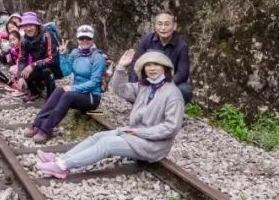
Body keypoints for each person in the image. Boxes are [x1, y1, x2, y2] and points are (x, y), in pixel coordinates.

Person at [36, 50, 184, 179]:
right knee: (97, 137)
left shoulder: (172, 93)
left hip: (153, 145)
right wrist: (121, 67)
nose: (152, 68)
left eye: (156, 65)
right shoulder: (146, 87)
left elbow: (171, 127)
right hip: (135, 135)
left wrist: (141, 132)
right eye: (148, 65)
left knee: (107, 144)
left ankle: (62, 166)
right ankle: (60, 159)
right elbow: (119, 89)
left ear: (165, 68)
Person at [25, 25, 106, 143]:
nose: (84, 41)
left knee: (68, 95)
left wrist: (73, 88)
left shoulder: (97, 58)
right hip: (78, 92)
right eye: (81, 38)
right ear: (78, 39)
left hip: (91, 97)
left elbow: (94, 83)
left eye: (87, 38)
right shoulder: (75, 53)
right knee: (59, 90)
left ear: (92, 40)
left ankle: (46, 129)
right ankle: (37, 124)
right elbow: (66, 71)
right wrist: (62, 55)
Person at [128, 11, 193, 103]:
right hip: (148, 80)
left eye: (167, 24)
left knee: (185, 90)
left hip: (169, 82)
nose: (163, 28)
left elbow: (183, 72)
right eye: (159, 24)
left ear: (174, 26)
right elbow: (135, 64)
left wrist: (163, 86)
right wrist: (134, 84)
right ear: (155, 25)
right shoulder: (147, 40)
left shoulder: (182, 46)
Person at [16, 12, 61, 101]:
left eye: (31, 25)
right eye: (25, 26)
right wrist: (20, 77)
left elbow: (52, 58)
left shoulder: (47, 36)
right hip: (37, 67)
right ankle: (34, 91)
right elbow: (22, 59)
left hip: (52, 67)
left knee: (46, 71)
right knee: (24, 72)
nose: (28, 29)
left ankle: (51, 96)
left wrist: (32, 65)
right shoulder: (24, 40)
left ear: (37, 26)